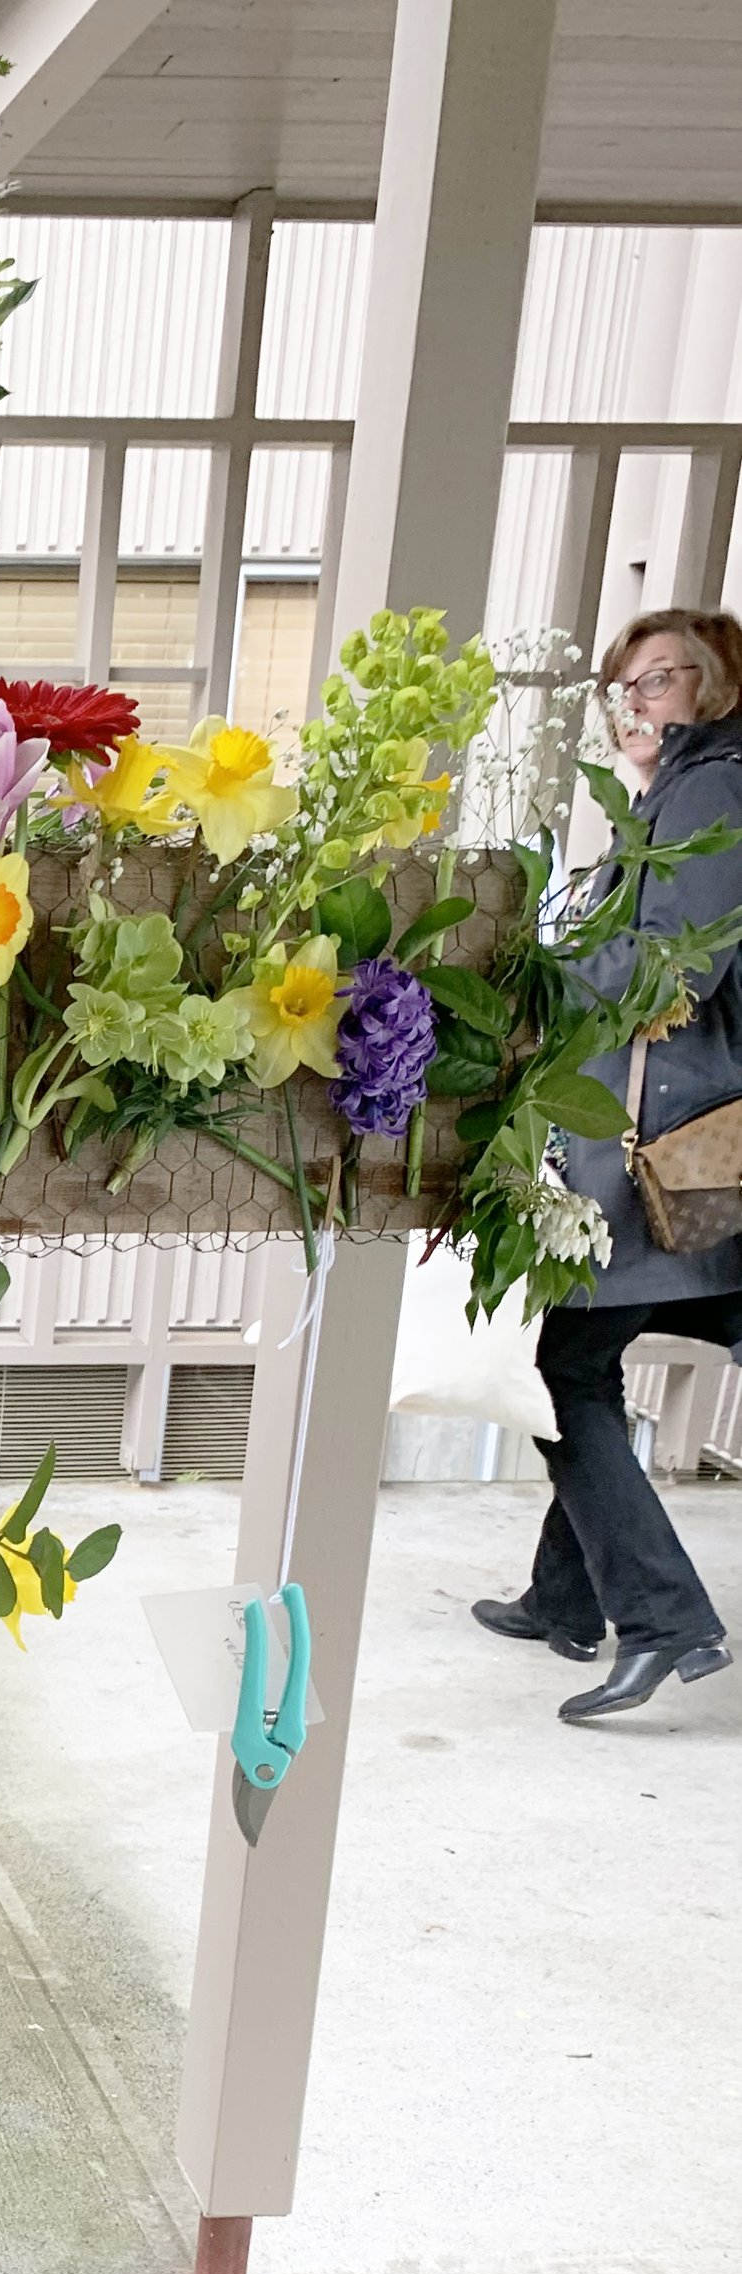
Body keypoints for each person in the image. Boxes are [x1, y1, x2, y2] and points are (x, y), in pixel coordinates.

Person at [474, 606, 742, 1721]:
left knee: (570, 1367)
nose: (632, 702)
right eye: (620, 685)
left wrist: (535, 974)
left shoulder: (712, 788)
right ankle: (562, 1597)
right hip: (687, 1132)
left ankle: (665, 1622)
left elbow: (676, 969)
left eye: (658, 681)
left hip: (669, 1142)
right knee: (584, 1355)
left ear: (716, 683)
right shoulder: (676, 790)